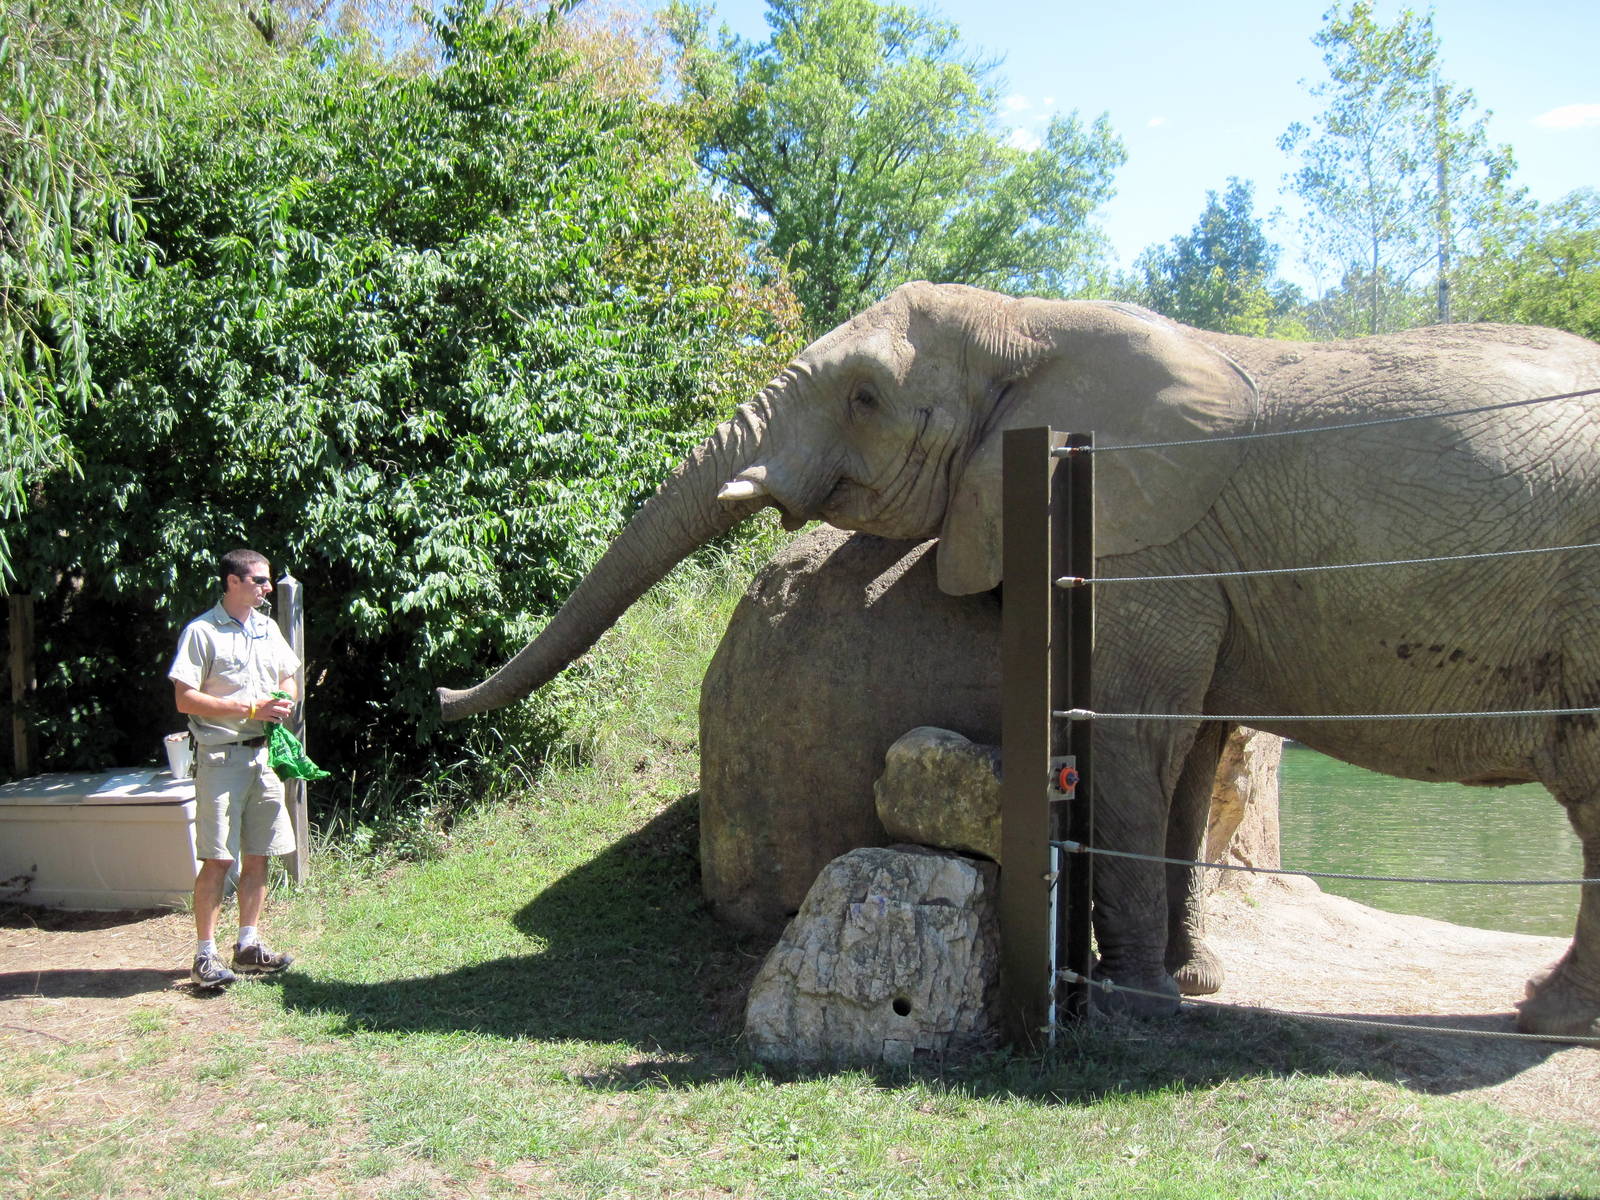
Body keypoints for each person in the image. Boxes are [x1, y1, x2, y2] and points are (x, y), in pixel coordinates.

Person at [168, 549, 300, 989]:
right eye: (260, 581)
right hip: (221, 758)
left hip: (263, 758)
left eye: (268, 581)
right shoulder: (202, 632)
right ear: (232, 582)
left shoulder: (267, 627)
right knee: (218, 859)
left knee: (259, 854)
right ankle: (204, 956)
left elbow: (289, 676)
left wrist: (284, 699)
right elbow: (184, 699)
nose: (266, 588)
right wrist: (248, 707)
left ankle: (247, 947)